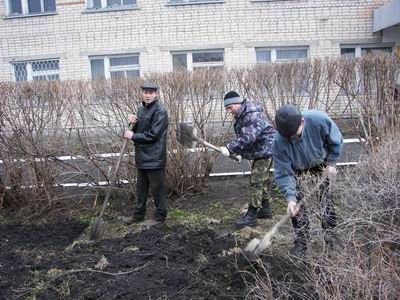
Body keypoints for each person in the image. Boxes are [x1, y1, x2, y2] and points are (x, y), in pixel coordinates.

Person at [272, 105, 343, 257]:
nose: (292, 139)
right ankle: (301, 243)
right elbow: (283, 172)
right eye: (288, 137)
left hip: (321, 165)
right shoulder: (278, 141)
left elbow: (335, 141)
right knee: (297, 210)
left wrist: (331, 163)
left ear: (302, 122)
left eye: (295, 135)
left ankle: (331, 239)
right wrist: (290, 198)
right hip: (297, 171)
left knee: (326, 203)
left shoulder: (319, 120)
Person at [219, 91, 276, 228]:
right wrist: (239, 152)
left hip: (266, 150)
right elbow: (247, 138)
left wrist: (230, 148)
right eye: (227, 109)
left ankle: (251, 215)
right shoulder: (244, 113)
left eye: (230, 107)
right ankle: (265, 209)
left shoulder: (251, 114)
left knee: (256, 181)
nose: (229, 111)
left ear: (237, 103)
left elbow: (248, 137)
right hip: (261, 150)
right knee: (261, 181)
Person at [122, 81, 169, 223]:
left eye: (151, 93)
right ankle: (138, 215)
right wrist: (131, 124)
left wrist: (133, 136)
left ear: (157, 94)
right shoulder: (141, 109)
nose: (147, 95)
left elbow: (153, 135)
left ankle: (160, 216)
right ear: (142, 93)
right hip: (142, 156)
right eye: (145, 92)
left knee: (157, 190)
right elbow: (138, 130)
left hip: (154, 157)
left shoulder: (160, 111)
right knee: (141, 189)